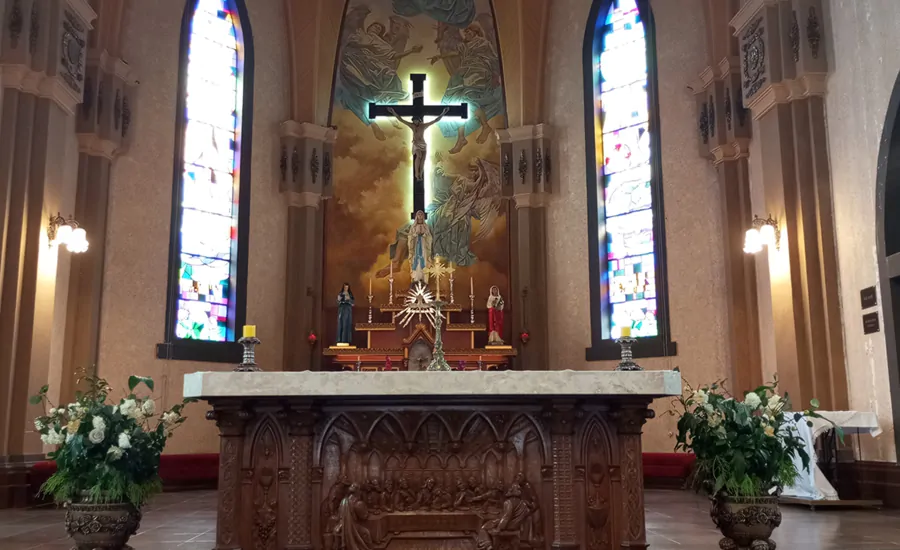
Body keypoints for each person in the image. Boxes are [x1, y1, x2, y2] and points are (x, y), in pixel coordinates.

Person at [388, 107, 449, 182]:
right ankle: (417, 174)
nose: (415, 122)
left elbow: (435, 120)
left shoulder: (423, 126)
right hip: (416, 144)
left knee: (423, 160)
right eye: (414, 121)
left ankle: (420, 175)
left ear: (419, 120)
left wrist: (443, 113)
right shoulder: (412, 126)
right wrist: (393, 112)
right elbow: (401, 120)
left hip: (423, 144)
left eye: (416, 120)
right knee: (419, 156)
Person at [407, 210, 433, 284]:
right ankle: (416, 280)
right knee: (416, 261)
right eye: (419, 214)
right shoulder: (413, 227)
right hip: (416, 247)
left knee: (424, 261)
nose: (420, 216)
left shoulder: (426, 226)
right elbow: (410, 237)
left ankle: (424, 280)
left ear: (423, 216)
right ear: (416, 216)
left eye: (421, 214)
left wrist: (424, 236)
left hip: (424, 247)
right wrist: (415, 235)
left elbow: (430, 237)